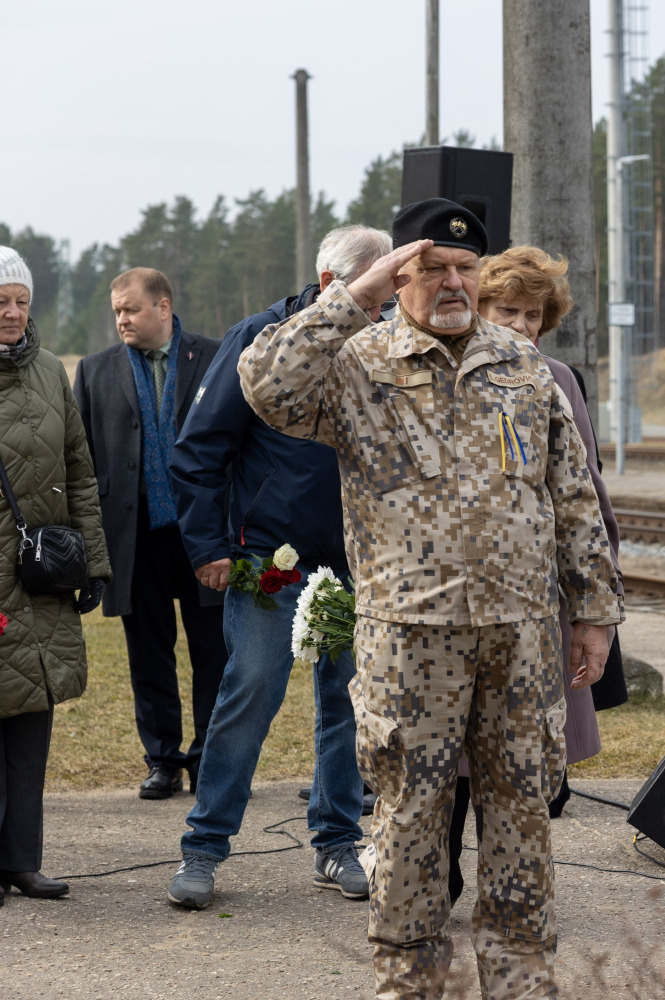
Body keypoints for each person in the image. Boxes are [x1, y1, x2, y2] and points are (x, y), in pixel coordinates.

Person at [237, 199, 622, 999]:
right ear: (400, 275)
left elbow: (572, 494)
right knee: (411, 819)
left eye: (465, 268)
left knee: (522, 817)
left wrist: (592, 613)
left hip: (518, 638)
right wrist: (355, 294)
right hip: (410, 639)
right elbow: (265, 385)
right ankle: (410, 983)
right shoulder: (358, 362)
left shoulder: (521, 365)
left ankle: (520, 982)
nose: (453, 282)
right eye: (432, 268)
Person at [164, 225, 394, 910]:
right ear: (334, 287)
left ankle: (336, 843)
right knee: (250, 693)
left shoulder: (382, 346)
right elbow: (199, 448)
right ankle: (203, 849)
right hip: (270, 560)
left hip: (356, 561)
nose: (384, 311)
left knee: (348, 707)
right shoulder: (259, 340)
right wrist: (207, 547)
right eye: (377, 294)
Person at [439, 246, 626, 903]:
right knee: (456, 751)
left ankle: (506, 880)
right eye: (506, 311)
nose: (520, 325)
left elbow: (587, 490)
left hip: (536, 597)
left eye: (532, 315)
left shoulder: (558, 379)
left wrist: (599, 591)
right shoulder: (444, 373)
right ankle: (445, 870)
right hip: (455, 601)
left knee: (514, 754)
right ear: (478, 310)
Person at [73, 268, 227, 800]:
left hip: (203, 534)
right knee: (148, 653)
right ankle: (162, 760)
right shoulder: (94, 371)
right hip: (133, 536)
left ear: (163, 307)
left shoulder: (213, 357)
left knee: (214, 652)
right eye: (117, 311)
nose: (121, 319)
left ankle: (209, 759)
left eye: (131, 310)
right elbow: (84, 457)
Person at [0, 247, 111, 902]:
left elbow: (78, 469)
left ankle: (21, 860)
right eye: (0, 303)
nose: (12, 313)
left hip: (35, 576)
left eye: (20, 301)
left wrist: (93, 560)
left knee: (30, 718)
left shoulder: (47, 371)